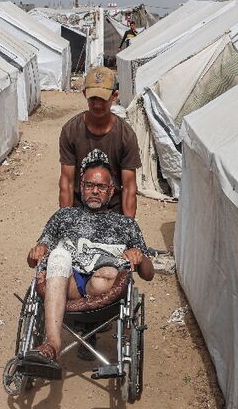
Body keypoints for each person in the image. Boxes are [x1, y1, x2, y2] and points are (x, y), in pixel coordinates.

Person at [22, 151, 154, 378]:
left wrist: (139, 257)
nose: (94, 191)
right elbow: (33, 259)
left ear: (111, 191)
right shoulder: (64, 217)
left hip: (104, 288)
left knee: (110, 271)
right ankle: (52, 345)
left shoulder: (125, 225)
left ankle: (85, 329)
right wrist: (39, 250)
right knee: (59, 255)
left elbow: (149, 274)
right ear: (81, 187)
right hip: (67, 283)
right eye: (90, 185)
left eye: (101, 187)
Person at [59, 66, 141, 217]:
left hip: (113, 212)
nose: (97, 104)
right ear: (85, 94)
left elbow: (129, 187)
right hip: (79, 210)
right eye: (93, 98)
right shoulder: (70, 131)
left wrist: (129, 227)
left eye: (102, 99)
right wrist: (66, 221)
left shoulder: (126, 135)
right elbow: (67, 182)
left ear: (114, 96)